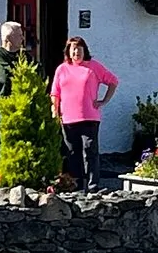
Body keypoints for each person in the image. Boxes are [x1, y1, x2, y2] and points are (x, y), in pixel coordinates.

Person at [50, 36, 119, 191]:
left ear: (84, 51)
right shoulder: (62, 69)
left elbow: (113, 81)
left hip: (89, 116)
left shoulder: (93, 66)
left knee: (90, 151)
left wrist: (103, 101)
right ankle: (77, 184)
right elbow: (55, 92)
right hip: (68, 118)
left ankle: (93, 185)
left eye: (79, 49)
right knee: (72, 152)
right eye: (73, 49)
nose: (76, 52)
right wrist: (55, 110)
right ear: (68, 51)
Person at [0, 20, 24, 173]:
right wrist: (22, 75)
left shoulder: (23, 55)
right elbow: (4, 76)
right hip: (4, 104)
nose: (22, 39)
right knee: (2, 141)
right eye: (20, 35)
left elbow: (37, 71)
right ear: (9, 38)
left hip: (21, 103)